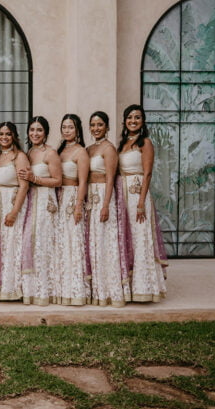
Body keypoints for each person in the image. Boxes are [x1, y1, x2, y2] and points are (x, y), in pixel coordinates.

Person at [117, 104, 168, 302]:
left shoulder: (144, 143)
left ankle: (145, 287)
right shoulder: (121, 144)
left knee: (140, 237)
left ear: (143, 121)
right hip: (123, 194)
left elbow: (147, 173)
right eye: (130, 117)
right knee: (127, 237)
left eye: (137, 117)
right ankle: (128, 286)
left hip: (138, 194)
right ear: (124, 121)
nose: (133, 121)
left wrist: (140, 203)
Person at [17, 116, 61, 306]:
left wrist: (35, 178)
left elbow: (58, 180)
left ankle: (47, 290)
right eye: (32, 130)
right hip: (31, 200)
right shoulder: (28, 153)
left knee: (43, 242)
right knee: (30, 243)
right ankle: (31, 290)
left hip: (45, 200)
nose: (35, 133)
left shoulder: (50, 153)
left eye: (39, 130)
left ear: (46, 133)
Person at [86, 111, 128, 306]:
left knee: (105, 241)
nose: (96, 128)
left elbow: (111, 177)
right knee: (93, 242)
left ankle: (110, 291)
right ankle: (97, 290)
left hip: (104, 195)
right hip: (90, 196)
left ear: (107, 127)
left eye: (100, 125)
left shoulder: (108, 148)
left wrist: (105, 205)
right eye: (93, 125)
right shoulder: (88, 149)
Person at [0, 122, 30, 302]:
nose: (4, 137)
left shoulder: (19, 157)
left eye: (8, 134)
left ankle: (12, 288)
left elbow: (24, 186)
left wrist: (14, 211)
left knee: (12, 243)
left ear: (14, 136)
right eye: (1, 134)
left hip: (11, 203)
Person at [54, 114, 90, 305]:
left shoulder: (80, 152)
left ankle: (76, 290)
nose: (67, 130)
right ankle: (61, 288)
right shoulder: (60, 150)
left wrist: (78, 206)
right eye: (64, 127)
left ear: (77, 130)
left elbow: (83, 181)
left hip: (72, 196)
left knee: (73, 241)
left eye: (70, 127)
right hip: (58, 197)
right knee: (60, 242)